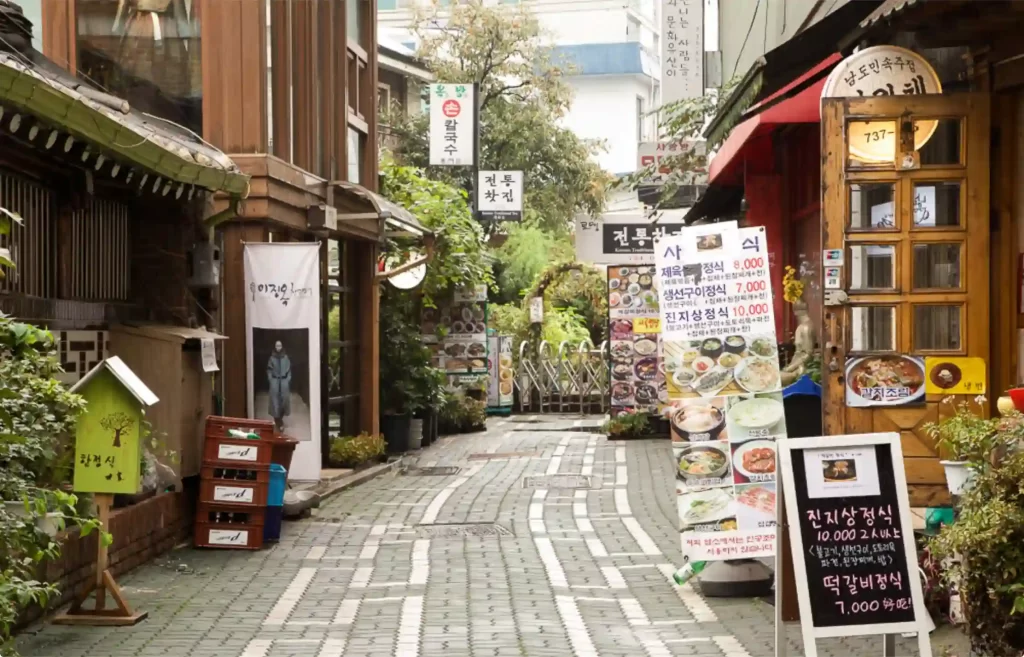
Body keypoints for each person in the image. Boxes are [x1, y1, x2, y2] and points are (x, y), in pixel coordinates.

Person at [267, 340, 291, 432]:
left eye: (280, 345)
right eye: (277, 346)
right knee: (275, 402)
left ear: (282, 346)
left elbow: (289, 370)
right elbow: (269, 369)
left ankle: (279, 420)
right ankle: (279, 423)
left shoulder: (286, 357)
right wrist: (271, 379)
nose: (278, 347)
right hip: (275, 381)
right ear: (275, 346)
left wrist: (288, 379)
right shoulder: (271, 358)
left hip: (284, 381)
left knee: (284, 401)